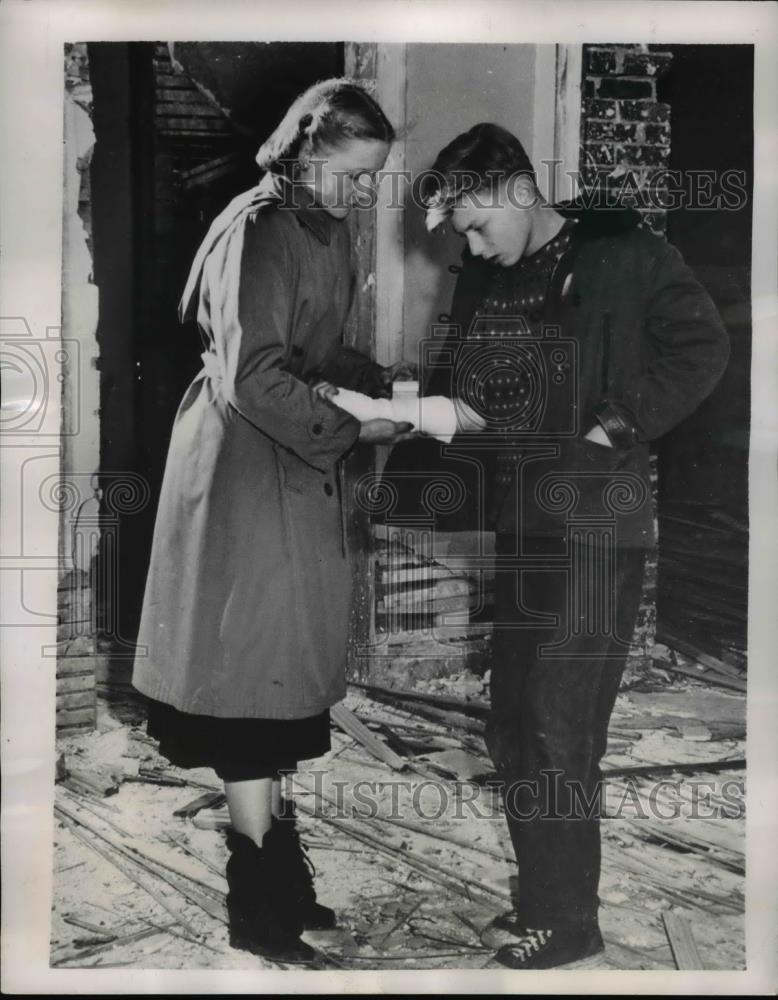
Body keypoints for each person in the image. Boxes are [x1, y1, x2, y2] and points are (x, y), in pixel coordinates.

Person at [416, 123, 729, 969]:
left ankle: (570, 925)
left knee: (559, 728)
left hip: (597, 528)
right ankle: (541, 901)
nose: (471, 245)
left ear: (517, 188)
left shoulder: (626, 252)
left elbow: (703, 349)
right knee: (513, 727)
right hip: (524, 528)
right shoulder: (484, 282)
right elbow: (463, 391)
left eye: (477, 224)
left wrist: (615, 423)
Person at [131, 78, 413, 964]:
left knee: (281, 682)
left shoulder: (319, 229)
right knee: (254, 684)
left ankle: (283, 883)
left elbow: (313, 350)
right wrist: (352, 424)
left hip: (288, 466)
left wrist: (379, 379)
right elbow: (254, 375)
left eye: (374, 180)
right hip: (245, 474)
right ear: (301, 154)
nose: (365, 196)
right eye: (353, 176)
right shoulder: (257, 227)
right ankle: (258, 909)